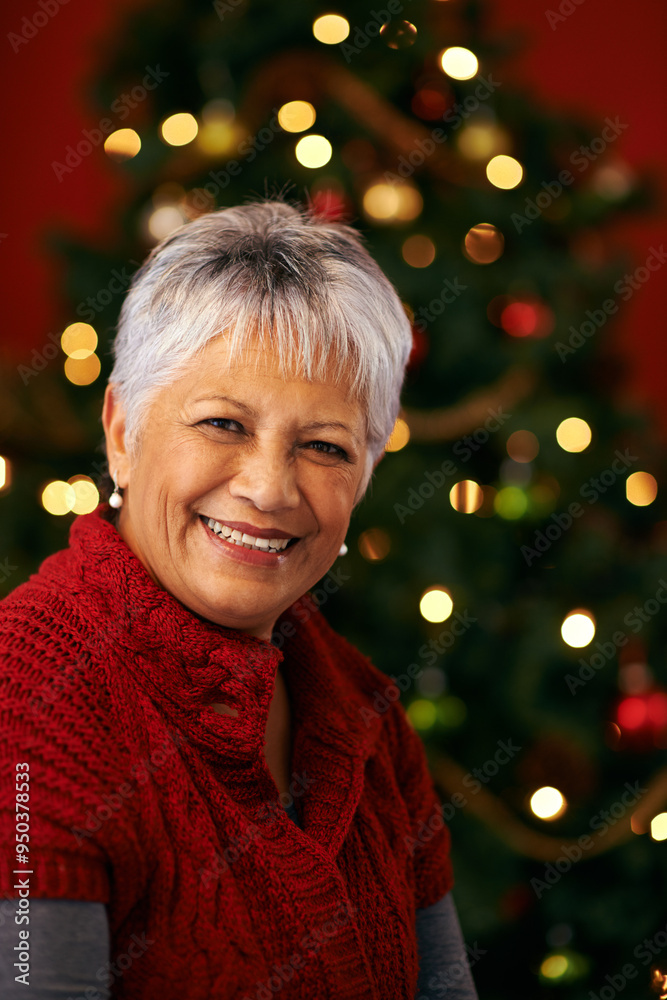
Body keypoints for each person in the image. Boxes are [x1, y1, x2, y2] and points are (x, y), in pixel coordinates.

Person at [0, 198, 479, 999]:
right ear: (123, 431)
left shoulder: (365, 712)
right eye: (222, 423)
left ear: (363, 474)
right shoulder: (26, 695)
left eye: (323, 446)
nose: (267, 489)